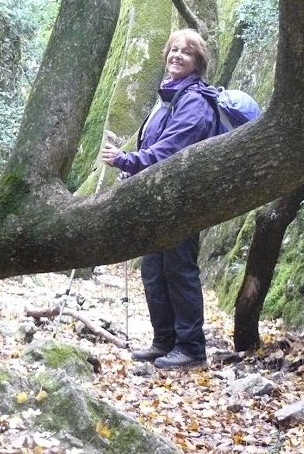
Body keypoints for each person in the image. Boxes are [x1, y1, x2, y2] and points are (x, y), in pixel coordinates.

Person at [101, 28, 218, 369]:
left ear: (198, 63)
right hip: (158, 201)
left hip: (183, 200)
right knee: (153, 270)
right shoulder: (166, 99)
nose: (177, 56)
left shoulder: (194, 100)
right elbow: (150, 146)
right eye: (173, 50)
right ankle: (163, 341)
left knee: (179, 270)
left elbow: (171, 150)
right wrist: (132, 170)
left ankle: (192, 348)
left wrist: (126, 160)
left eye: (186, 52)